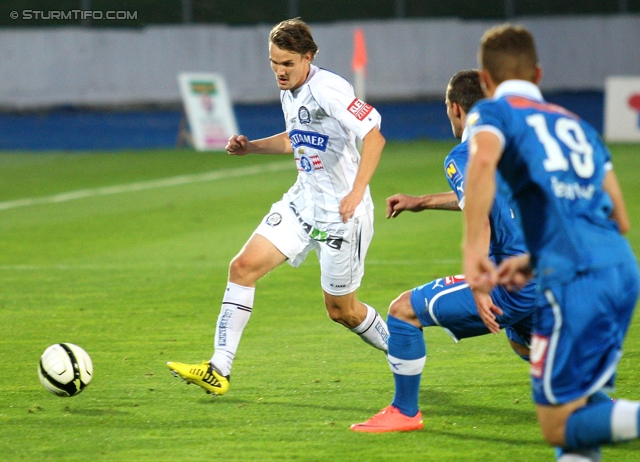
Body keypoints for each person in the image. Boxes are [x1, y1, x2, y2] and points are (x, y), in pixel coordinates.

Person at [167, 18, 389, 396]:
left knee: (342, 311)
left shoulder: (330, 89)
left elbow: (375, 136)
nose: (280, 72)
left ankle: (402, 349)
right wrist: (251, 146)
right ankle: (219, 368)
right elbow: (296, 138)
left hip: (342, 216)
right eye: (274, 63)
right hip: (303, 202)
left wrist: (355, 192)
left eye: (287, 64)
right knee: (242, 267)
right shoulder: (290, 90)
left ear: (308, 57)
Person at [462, 24, 640, 461]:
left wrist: (472, 254)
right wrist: (535, 257)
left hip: (574, 282)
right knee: (581, 415)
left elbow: (482, 159)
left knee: (557, 423)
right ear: (538, 74)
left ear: (485, 78)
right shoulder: (577, 124)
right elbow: (619, 216)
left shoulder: (494, 112)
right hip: (620, 269)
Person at [350, 70, 537, 433]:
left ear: (455, 108)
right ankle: (596, 406)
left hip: (509, 280)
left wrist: (481, 284)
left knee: (403, 312)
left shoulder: (464, 153)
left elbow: (480, 216)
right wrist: (422, 201)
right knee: (526, 343)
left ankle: (404, 411)